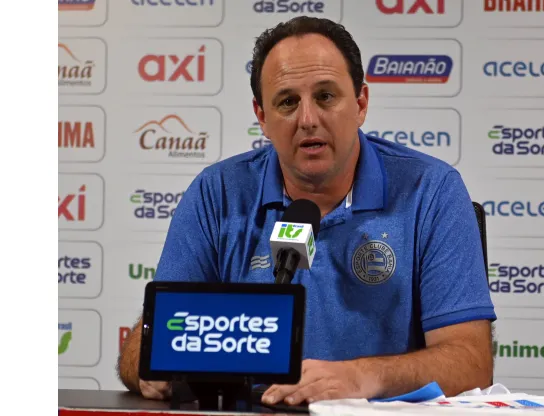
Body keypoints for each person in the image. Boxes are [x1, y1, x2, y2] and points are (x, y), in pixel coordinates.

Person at [117, 16, 497, 406]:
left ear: (361, 102)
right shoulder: (218, 193)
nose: (308, 119)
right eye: (287, 102)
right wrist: (149, 366)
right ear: (262, 117)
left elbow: (470, 364)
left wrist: (360, 377)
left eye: (326, 96)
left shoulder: (430, 191)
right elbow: (145, 347)